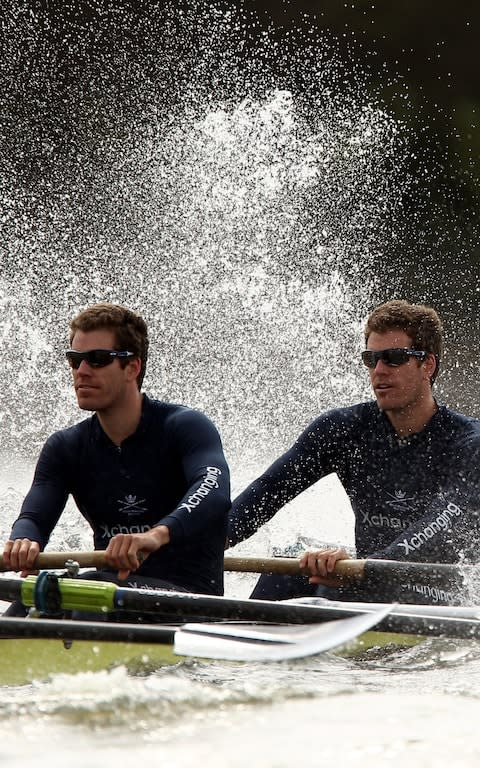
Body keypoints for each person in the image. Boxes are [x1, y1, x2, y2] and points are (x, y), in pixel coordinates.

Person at [227, 299, 480, 605]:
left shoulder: (468, 443)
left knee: (338, 585)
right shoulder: (343, 430)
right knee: (288, 569)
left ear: (428, 364)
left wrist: (371, 566)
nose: (379, 371)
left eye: (394, 358)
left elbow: (444, 522)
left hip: (438, 590)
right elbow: (267, 492)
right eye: (371, 359)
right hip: (367, 574)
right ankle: (236, 640)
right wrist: (198, 544)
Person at [2, 303, 230, 619]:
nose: (82, 371)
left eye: (97, 359)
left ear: (132, 368)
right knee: (32, 599)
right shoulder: (66, 447)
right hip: (109, 595)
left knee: (87, 589)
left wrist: (155, 535)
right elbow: (35, 517)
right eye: (75, 360)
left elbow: (214, 494)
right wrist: (23, 540)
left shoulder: (185, 427)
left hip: (190, 597)